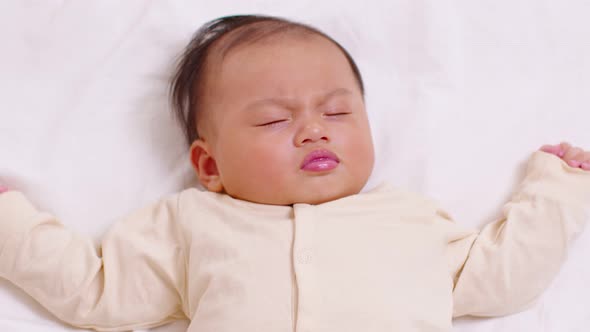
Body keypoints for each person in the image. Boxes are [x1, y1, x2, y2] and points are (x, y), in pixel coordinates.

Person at [1, 14, 589, 332]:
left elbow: (503, 278)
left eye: (337, 111)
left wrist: (559, 189)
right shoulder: (193, 222)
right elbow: (94, 292)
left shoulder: (408, 219)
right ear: (209, 165)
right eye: (274, 121)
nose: (315, 130)